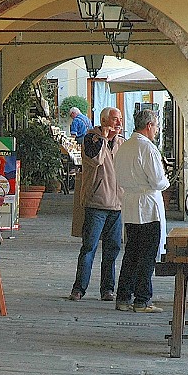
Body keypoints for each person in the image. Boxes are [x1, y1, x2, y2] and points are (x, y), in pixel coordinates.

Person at [114, 109, 170, 313]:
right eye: (156, 126)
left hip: (129, 204)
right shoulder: (147, 148)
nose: (156, 130)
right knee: (147, 254)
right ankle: (142, 299)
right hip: (147, 205)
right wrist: (166, 181)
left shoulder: (125, 147)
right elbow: (157, 180)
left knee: (131, 252)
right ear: (149, 126)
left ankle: (123, 297)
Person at [69, 106, 124, 301]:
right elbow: (96, 160)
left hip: (117, 205)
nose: (119, 123)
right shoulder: (90, 139)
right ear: (104, 121)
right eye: (115, 119)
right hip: (96, 203)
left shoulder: (121, 143)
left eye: (120, 119)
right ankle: (79, 288)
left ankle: (107, 289)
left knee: (112, 250)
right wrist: (103, 138)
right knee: (89, 248)